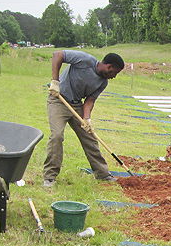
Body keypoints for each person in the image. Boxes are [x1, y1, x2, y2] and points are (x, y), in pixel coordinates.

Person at [43, 50, 125, 188]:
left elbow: (90, 100)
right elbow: (58, 55)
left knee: (90, 138)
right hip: (58, 100)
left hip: (77, 105)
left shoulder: (103, 83)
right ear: (109, 67)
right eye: (114, 73)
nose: (114, 77)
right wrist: (55, 81)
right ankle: (49, 177)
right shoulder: (84, 60)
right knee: (56, 136)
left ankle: (103, 174)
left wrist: (87, 119)